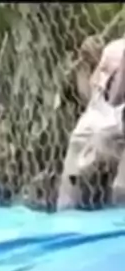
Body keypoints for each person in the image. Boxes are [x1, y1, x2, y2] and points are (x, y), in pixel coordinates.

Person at [58, 36, 125, 210]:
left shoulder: (114, 48)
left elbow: (111, 97)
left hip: (100, 128)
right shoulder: (114, 49)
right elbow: (101, 95)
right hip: (103, 126)